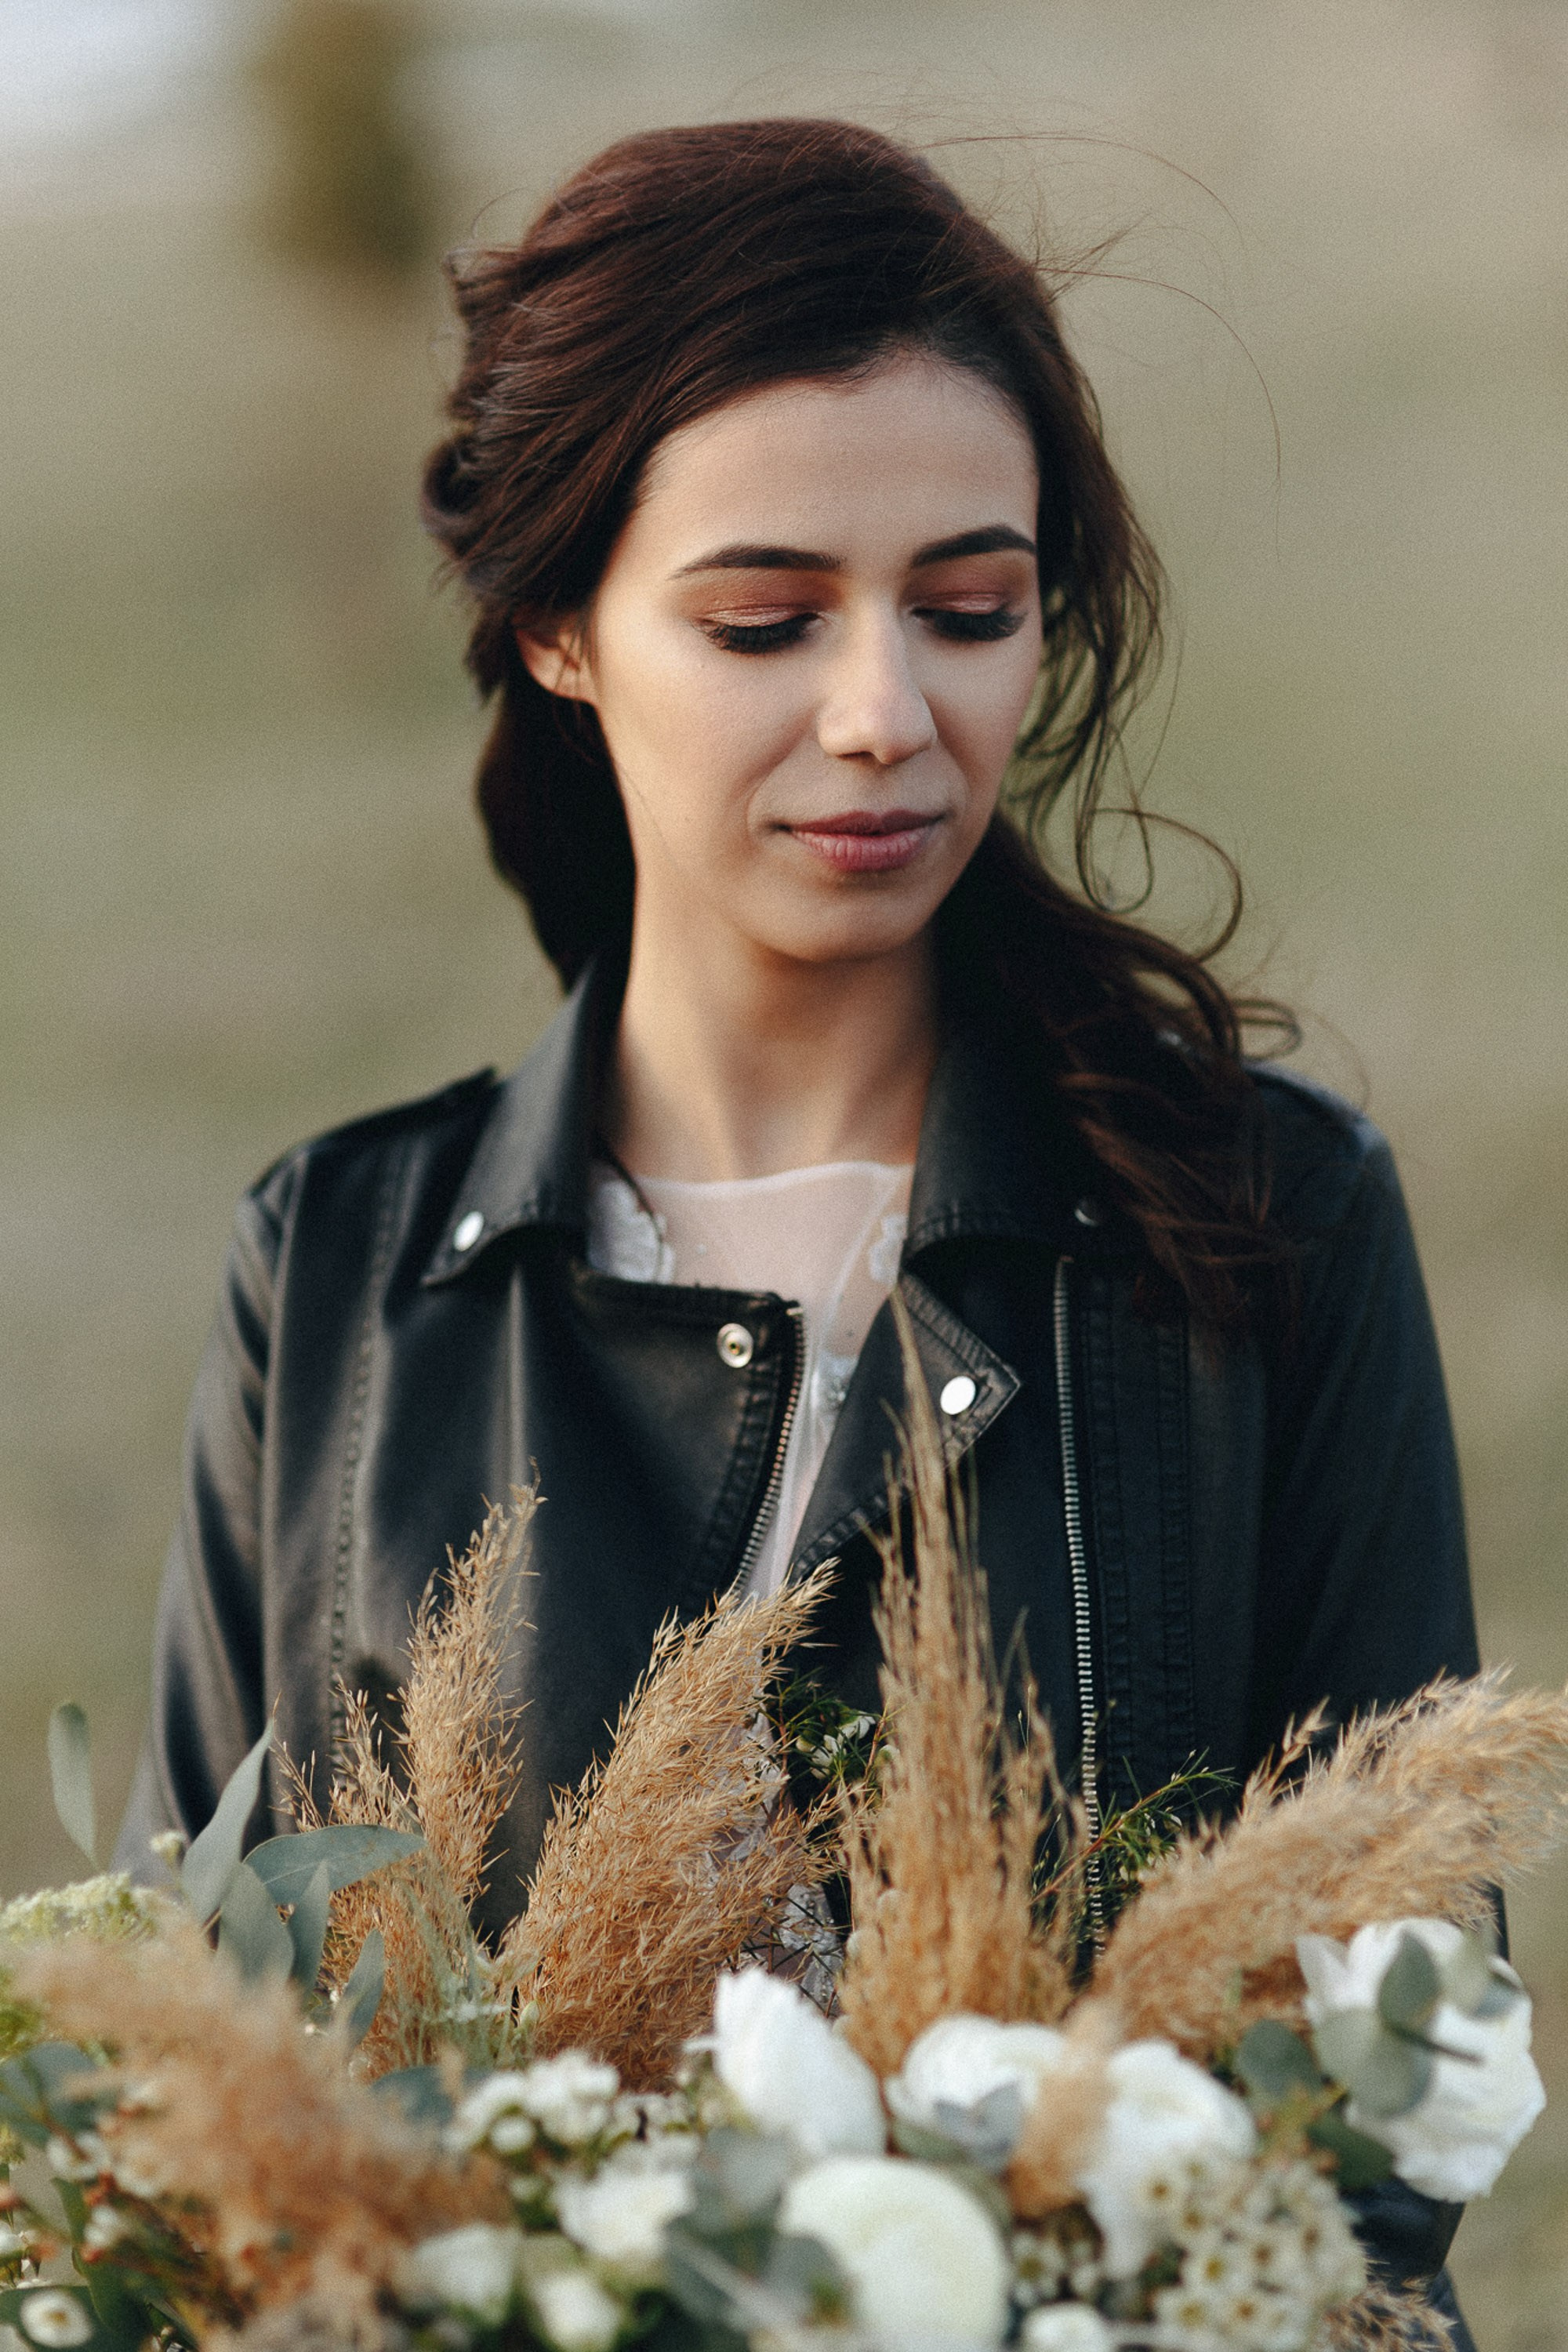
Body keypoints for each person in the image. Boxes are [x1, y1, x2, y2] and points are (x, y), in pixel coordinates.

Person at [116, 118, 1479, 2329]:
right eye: (765, 619)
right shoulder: (342, 1276)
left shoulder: (1261, 1229)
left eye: (970, 609)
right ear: (559, 624)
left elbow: (1400, 2097)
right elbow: (200, 2111)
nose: (886, 720)